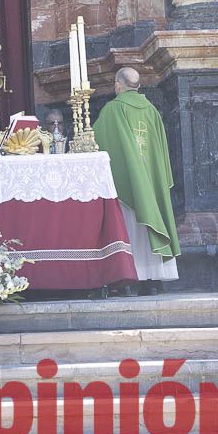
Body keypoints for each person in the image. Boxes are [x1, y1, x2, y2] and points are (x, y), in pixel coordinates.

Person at [92, 67, 179, 295]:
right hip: (151, 183)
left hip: (127, 184)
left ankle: (128, 278)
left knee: (129, 227)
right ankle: (153, 282)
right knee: (149, 223)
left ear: (118, 85)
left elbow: (94, 143)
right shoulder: (152, 111)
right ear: (138, 86)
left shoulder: (112, 110)